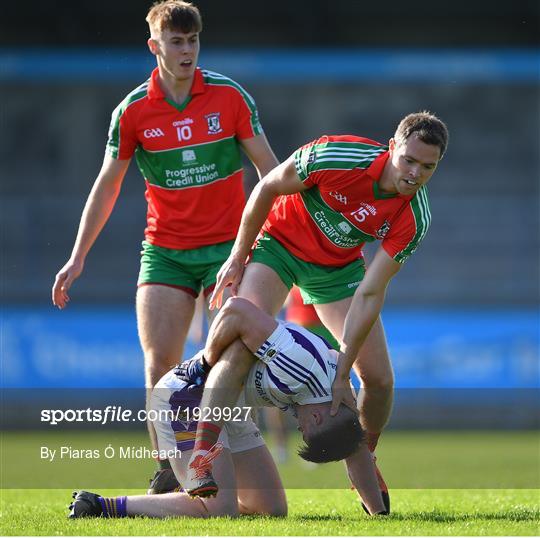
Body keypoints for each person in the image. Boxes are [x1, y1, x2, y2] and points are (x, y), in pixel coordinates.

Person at [51, 0, 278, 493]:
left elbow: (270, 174)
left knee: (224, 362)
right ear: (155, 47)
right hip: (166, 251)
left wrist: (262, 246)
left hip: (228, 249)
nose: (186, 50)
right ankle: (165, 473)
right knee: (160, 363)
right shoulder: (132, 111)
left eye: (192, 40)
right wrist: (77, 255)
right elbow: (107, 184)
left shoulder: (230, 96)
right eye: (176, 42)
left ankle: (233, 466)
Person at [185, 111, 449, 511]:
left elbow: (371, 291)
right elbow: (269, 186)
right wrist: (238, 255)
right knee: (240, 346)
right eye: (409, 161)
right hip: (280, 247)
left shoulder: (415, 216)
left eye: (427, 167)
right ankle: (200, 456)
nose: (415, 174)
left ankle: (366, 459)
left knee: (378, 381)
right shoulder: (337, 156)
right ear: (392, 147)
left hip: (337, 272)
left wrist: (344, 373)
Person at [68, 297, 386, 519]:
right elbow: (235, 310)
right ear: (318, 416)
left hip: (230, 411)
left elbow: (354, 447)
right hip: (186, 398)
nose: (300, 428)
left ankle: (189, 500)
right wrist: (206, 361)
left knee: (271, 508)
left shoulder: (339, 402)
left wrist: (379, 516)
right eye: (306, 429)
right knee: (220, 510)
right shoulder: (299, 366)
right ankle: (103, 505)